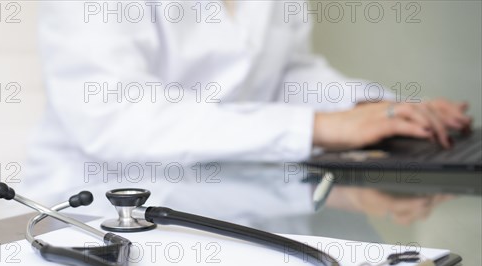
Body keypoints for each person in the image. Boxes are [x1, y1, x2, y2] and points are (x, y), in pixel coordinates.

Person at [24, 1, 471, 197]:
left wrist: (369, 111)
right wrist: (314, 127)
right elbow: (117, 116)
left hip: (234, 200)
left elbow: (284, 71)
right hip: (97, 211)